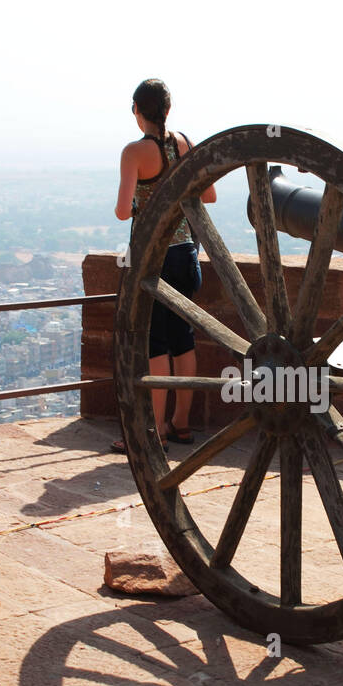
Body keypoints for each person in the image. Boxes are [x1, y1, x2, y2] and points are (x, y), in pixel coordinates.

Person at [110, 78, 216, 453]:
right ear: (168, 110)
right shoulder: (184, 143)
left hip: (154, 260)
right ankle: (181, 424)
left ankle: (154, 431)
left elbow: (124, 212)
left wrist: (143, 204)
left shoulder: (134, 152)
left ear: (138, 111)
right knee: (183, 340)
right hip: (186, 253)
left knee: (155, 344)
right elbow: (210, 194)